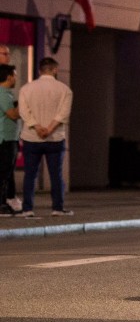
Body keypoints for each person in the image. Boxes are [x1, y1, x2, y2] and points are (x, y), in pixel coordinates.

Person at [18, 57, 74, 217]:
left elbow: (23, 111)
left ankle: (27, 209)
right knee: (56, 174)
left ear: (39, 70)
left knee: (30, 174)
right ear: (55, 70)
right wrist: (49, 129)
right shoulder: (65, 90)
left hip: (31, 137)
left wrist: (37, 127)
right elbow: (63, 113)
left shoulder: (26, 89)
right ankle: (57, 208)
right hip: (55, 138)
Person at [0, 44, 20, 212]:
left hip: (8, 136)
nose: (7, 56)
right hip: (4, 136)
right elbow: (11, 114)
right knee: (4, 170)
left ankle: (9, 197)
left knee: (7, 170)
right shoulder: (3, 92)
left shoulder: (7, 92)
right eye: (4, 53)